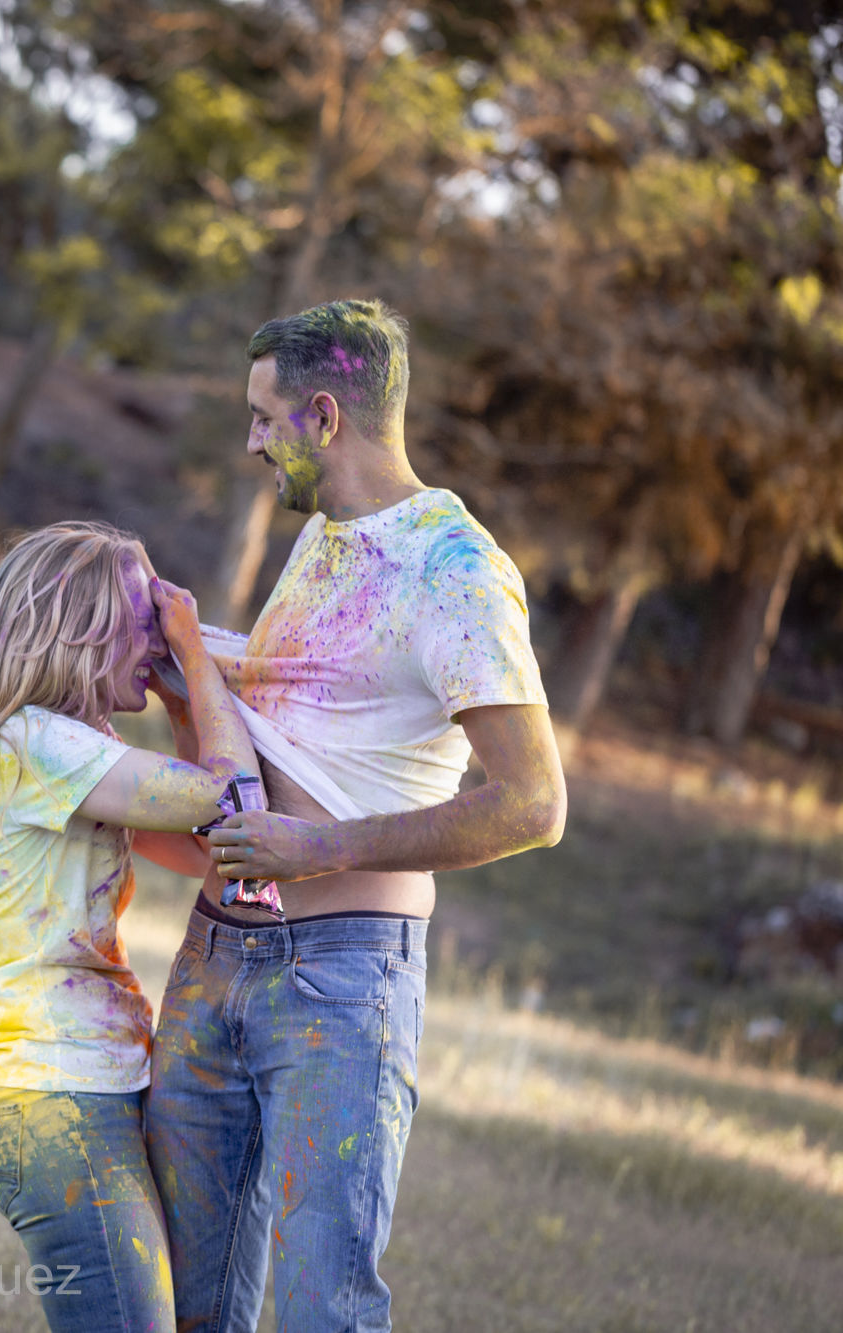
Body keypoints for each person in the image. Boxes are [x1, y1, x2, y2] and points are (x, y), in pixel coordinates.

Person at [146, 299, 568, 1333]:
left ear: (322, 417)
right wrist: (178, 657)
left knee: (320, 1307)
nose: (250, 441)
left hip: (339, 980)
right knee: (187, 1304)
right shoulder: (326, 539)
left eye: (261, 419)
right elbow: (309, 705)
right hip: (212, 955)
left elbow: (532, 802)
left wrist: (317, 848)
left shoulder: (455, 572)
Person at [0, 521, 263, 1333]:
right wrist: (194, 655)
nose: (156, 634)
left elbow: (206, 851)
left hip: (90, 1090)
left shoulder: (73, 750)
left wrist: (185, 703)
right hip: (57, 1104)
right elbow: (231, 795)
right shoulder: (38, 744)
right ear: (83, 630)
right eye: (144, 619)